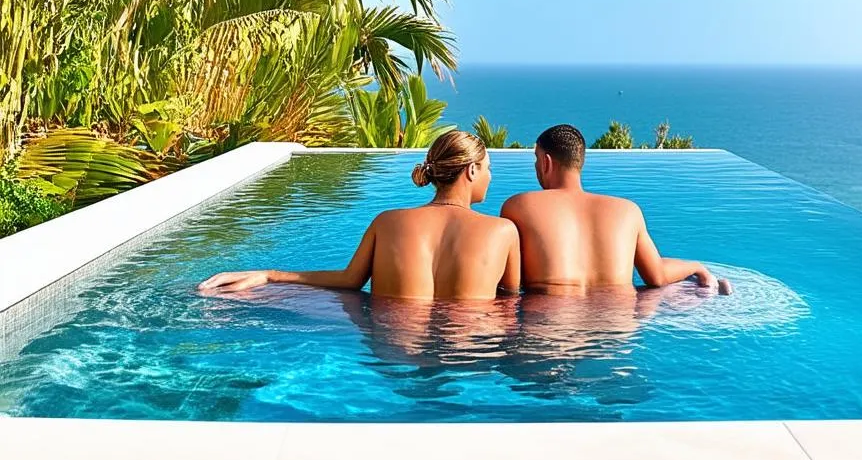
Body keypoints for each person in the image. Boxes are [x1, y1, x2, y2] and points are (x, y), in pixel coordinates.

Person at [198, 131, 521, 301]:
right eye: (489, 169)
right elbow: (511, 300)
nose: (489, 177)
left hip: (393, 342)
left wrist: (269, 275)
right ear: (473, 169)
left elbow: (349, 281)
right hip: (468, 347)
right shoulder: (503, 231)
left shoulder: (388, 221)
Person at [500, 124, 732, 295]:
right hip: (616, 333)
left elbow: (508, 286)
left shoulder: (520, 206)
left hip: (550, 332)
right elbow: (657, 277)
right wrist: (697, 267)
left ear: (546, 162)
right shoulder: (627, 211)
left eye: (536, 159)